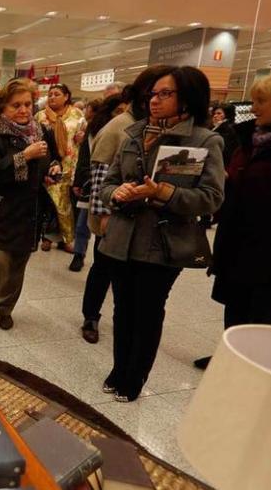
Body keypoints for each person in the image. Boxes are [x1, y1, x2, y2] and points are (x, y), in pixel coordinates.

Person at [99, 66, 225, 402]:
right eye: (153, 94)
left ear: (188, 98)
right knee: (122, 308)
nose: (154, 100)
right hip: (122, 238)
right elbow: (108, 182)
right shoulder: (135, 134)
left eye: (164, 94)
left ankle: (134, 378)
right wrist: (117, 193)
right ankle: (118, 368)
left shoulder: (204, 141)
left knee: (148, 312)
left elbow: (212, 198)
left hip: (163, 244)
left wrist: (164, 193)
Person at [197, 67, 271, 369]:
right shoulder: (250, 140)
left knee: (267, 322)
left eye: (261, 101)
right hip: (238, 248)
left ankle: (249, 369)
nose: (253, 108)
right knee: (236, 312)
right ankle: (231, 356)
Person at [83, 68, 168, 343]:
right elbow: (100, 171)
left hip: (139, 222)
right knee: (102, 268)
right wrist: (103, 214)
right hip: (114, 216)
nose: (157, 101)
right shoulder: (121, 126)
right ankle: (91, 316)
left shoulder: (151, 126)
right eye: (154, 95)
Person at [0, 78, 61, 331]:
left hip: (28, 212)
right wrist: (25, 156)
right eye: (16, 106)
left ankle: (5, 309)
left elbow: (51, 159)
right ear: (2, 109)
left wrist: (52, 168)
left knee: (17, 268)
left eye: (27, 104)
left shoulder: (41, 131)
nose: (23, 110)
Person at [35, 84, 85, 253]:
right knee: (49, 203)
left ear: (66, 96)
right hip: (47, 164)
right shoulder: (40, 116)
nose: (52, 97)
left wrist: (82, 138)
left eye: (57, 94)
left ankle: (66, 238)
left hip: (70, 165)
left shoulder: (77, 115)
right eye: (50, 94)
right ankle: (46, 236)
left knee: (67, 205)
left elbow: (85, 137)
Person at [68, 99, 103, 272]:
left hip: (107, 182)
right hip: (89, 180)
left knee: (103, 225)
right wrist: (79, 181)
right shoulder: (90, 129)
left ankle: (101, 260)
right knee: (82, 222)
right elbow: (83, 155)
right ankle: (78, 254)